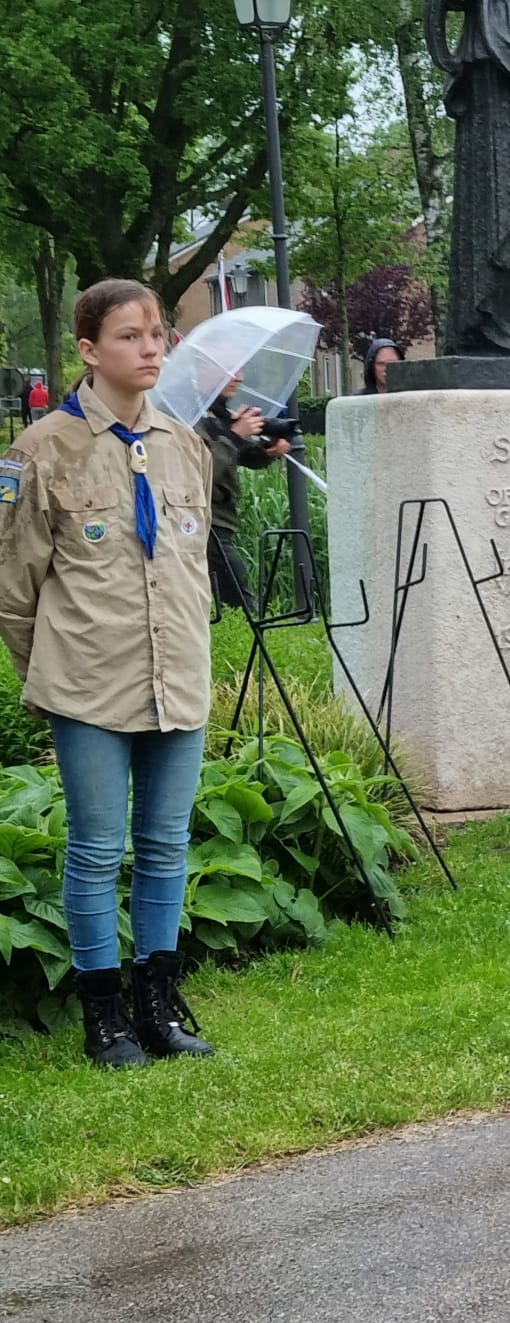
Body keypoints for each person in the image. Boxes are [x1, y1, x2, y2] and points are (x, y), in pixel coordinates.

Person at [0, 279, 218, 1067]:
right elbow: (14, 591)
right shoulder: (41, 452)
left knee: (164, 846)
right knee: (95, 851)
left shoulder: (184, 444)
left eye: (158, 333)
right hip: (88, 685)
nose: (152, 348)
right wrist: (49, 679)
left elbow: (191, 571)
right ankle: (106, 1020)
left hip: (178, 680)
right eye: (130, 336)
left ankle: (158, 1010)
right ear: (90, 351)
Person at [197, 373, 290, 610]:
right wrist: (235, 435)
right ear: (205, 369)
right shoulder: (188, 414)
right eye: (231, 368)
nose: (240, 377)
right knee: (239, 602)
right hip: (204, 523)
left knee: (228, 599)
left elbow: (231, 456)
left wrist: (265, 451)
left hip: (218, 522)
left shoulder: (215, 410)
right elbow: (202, 472)